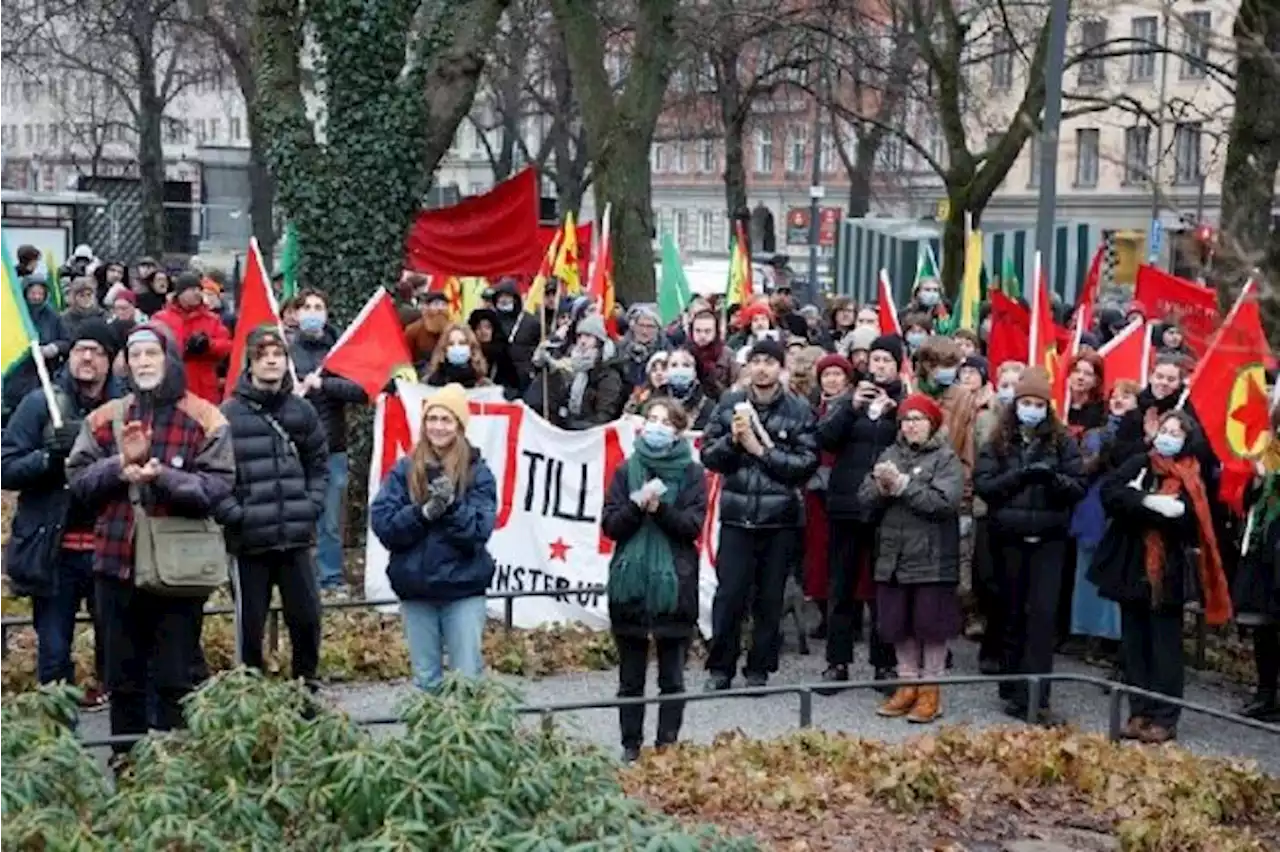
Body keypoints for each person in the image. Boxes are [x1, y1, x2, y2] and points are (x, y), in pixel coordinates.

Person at [66, 323, 236, 753]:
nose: (142, 363)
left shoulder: (205, 417)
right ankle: (127, 775)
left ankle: (172, 776)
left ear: (169, 358)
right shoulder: (104, 418)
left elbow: (217, 487)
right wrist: (117, 468)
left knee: (174, 680)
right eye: (135, 355)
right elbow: (79, 483)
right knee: (122, 684)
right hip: (114, 567)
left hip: (177, 572)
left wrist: (164, 477)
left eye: (151, 355)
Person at [0, 320, 124, 711]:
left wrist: (98, 456)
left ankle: (121, 746)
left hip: (111, 551)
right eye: (81, 349)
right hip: (54, 553)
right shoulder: (41, 403)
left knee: (118, 654)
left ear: (111, 361)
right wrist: (47, 457)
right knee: (53, 654)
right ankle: (59, 745)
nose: (87, 357)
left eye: (98, 351)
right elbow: (6, 466)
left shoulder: (125, 408)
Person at [1092, 410, 1229, 743]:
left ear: (1186, 441)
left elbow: (1186, 522)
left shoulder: (1192, 476)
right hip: (1130, 564)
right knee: (1134, 643)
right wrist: (1146, 501)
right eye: (1164, 430)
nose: (1167, 436)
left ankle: (1165, 717)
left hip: (1168, 570)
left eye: (1175, 432)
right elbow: (1110, 493)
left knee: (1164, 646)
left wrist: (1149, 509)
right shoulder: (1140, 462)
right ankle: (1138, 711)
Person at [702, 337, 819, 690]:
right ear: (747, 367)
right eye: (757, 362)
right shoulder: (729, 403)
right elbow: (709, 455)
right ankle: (720, 668)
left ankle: (759, 668)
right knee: (729, 595)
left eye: (770, 362)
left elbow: (804, 464)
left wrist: (761, 451)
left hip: (779, 519)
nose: (763, 369)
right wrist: (732, 443)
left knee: (770, 598)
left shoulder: (798, 410)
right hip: (738, 515)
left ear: (781, 369)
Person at [974, 366, 1086, 722]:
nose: (1032, 409)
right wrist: (1019, 476)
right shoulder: (998, 439)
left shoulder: (1062, 441)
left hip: (1049, 540)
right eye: (1026, 402)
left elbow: (1077, 486)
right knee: (1010, 613)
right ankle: (1010, 685)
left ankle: (1036, 696)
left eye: (1039, 403)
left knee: (1040, 617)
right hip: (1008, 537)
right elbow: (985, 486)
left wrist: (1052, 479)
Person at [218, 326, 328, 686]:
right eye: (263, 354)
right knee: (249, 628)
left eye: (278, 354)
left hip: (295, 537)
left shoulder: (302, 411)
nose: (271, 361)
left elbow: (318, 465)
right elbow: (214, 473)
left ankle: (305, 691)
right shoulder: (229, 415)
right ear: (250, 361)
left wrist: (310, 505)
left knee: (307, 620)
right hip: (249, 541)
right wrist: (236, 514)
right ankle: (251, 697)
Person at [369, 384, 497, 691]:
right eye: (433, 419)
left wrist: (451, 508)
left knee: (467, 680)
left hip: (462, 589)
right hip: (417, 589)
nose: (438, 427)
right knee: (426, 681)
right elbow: (384, 525)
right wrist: (421, 514)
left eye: (446, 420)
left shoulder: (478, 473)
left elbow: (479, 530)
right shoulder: (404, 470)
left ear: (459, 425)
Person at [601, 398, 707, 761]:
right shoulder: (626, 469)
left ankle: (667, 745)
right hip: (629, 583)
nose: (657, 426)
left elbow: (692, 526)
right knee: (630, 679)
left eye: (665, 421)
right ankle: (631, 745)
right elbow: (611, 525)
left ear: (678, 431)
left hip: (675, 583)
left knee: (672, 677)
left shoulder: (692, 474)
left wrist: (660, 510)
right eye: (652, 419)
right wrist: (634, 507)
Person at [858, 393, 964, 723]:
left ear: (932, 424)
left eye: (918, 419)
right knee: (897, 623)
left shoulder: (946, 458)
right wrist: (880, 487)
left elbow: (945, 502)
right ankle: (906, 684)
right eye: (905, 420)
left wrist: (904, 485)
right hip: (893, 554)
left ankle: (931, 690)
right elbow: (863, 498)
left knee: (930, 625)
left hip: (932, 556)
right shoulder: (889, 453)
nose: (910, 426)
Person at [819, 335, 906, 687]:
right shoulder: (848, 399)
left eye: (887, 360)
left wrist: (896, 413)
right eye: (875, 360)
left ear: (898, 365)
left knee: (882, 586)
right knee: (841, 586)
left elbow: (919, 440)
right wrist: (851, 407)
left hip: (886, 507)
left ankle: (883, 663)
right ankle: (837, 662)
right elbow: (824, 438)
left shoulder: (904, 401)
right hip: (846, 503)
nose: (880, 366)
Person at [289, 289, 369, 592]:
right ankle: (295, 579)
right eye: (306, 307)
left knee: (330, 521)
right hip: (292, 446)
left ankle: (331, 578)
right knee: (292, 516)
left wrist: (324, 384)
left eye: (318, 306)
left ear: (326, 313)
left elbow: (361, 390)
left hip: (331, 446)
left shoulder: (340, 352)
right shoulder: (284, 350)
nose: (312, 311)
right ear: (295, 314)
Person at [1068, 380, 1138, 660]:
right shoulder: (1095, 433)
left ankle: (1113, 638)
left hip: (1119, 508)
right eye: (1116, 396)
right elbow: (1083, 467)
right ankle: (1087, 633)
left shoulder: (1141, 436)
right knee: (1087, 573)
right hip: (1092, 508)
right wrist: (1097, 458)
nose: (1119, 400)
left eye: (1127, 396)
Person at [1233, 412, 1280, 722]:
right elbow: (1247, 502)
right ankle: (1265, 693)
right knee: (1264, 627)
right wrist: (1260, 480)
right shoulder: (1270, 452)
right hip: (1265, 553)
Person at [804, 353, 854, 641]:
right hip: (815, 489)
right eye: (827, 375)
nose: (832, 380)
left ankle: (850, 618)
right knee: (819, 555)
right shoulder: (814, 410)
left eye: (837, 374)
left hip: (845, 489)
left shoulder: (853, 407)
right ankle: (826, 614)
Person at [524, 315, 627, 430]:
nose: (582, 341)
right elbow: (542, 362)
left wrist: (575, 428)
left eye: (588, 336)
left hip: (588, 433)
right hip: (567, 427)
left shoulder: (608, 374)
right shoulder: (570, 363)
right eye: (580, 336)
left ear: (599, 341)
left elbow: (604, 416)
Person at [152, 271, 233, 404]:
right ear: (180, 293)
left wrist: (208, 345)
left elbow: (227, 346)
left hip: (204, 389)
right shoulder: (161, 318)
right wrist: (182, 348)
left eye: (199, 289)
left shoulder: (212, 319)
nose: (197, 293)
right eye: (192, 289)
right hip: (171, 385)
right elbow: (154, 345)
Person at [3, 277, 69, 419]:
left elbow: (66, 341)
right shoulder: (15, 314)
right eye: (33, 293)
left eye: (40, 293)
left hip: (43, 375)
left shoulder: (52, 316)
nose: (36, 297)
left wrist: (53, 348)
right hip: (17, 376)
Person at [423, 322, 492, 388]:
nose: (456, 347)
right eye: (451, 344)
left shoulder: (483, 384)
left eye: (462, 343)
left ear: (471, 348)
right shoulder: (430, 381)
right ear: (444, 349)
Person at [618, 305, 670, 391]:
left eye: (650, 326)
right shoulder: (621, 348)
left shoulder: (666, 352)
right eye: (641, 325)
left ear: (658, 328)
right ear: (633, 326)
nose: (644, 331)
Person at [687, 310, 735, 398]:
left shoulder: (727, 355)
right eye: (698, 331)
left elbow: (736, 383)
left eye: (707, 331)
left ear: (715, 332)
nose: (702, 335)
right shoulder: (684, 354)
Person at [663, 348, 715, 430]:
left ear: (695, 372)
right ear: (666, 371)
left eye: (686, 365)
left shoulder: (707, 405)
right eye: (674, 365)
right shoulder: (655, 398)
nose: (680, 369)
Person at [468, 307, 521, 389]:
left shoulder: (503, 353)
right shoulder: (467, 353)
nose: (483, 332)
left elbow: (513, 385)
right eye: (479, 328)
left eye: (487, 327)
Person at [405, 291, 450, 365]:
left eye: (444, 305)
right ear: (426, 307)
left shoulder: (452, 330)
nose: (440, 308)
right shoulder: (413, 330)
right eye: (436, 304)